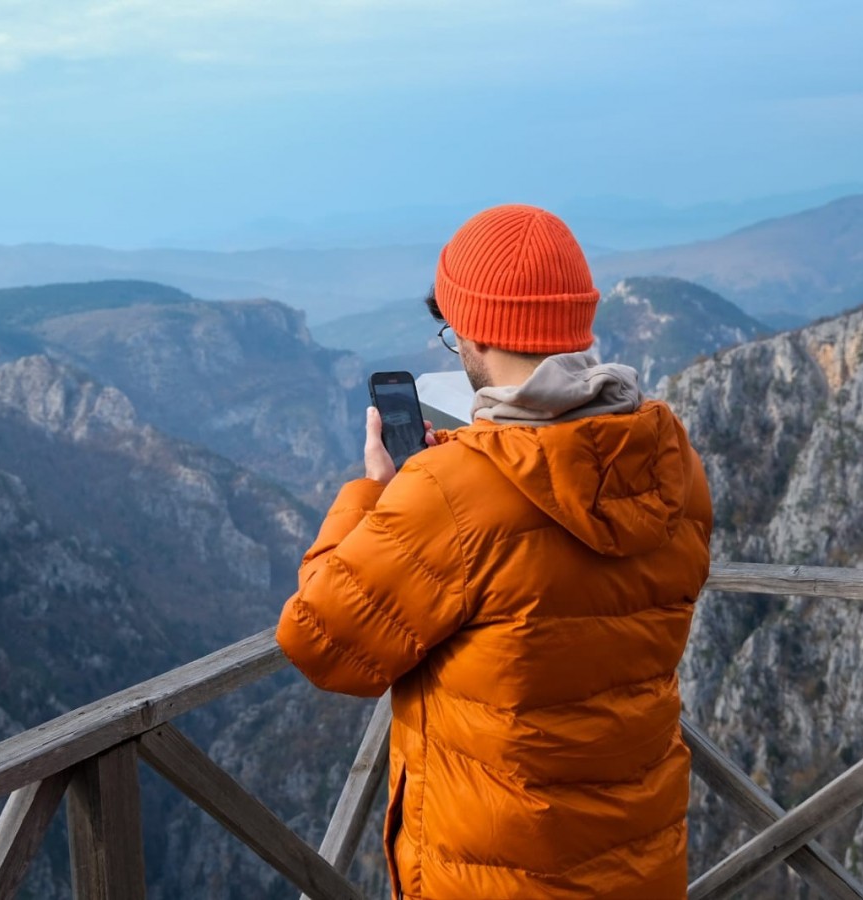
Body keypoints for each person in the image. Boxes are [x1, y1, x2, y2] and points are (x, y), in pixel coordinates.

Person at [277, 204, 712, 899]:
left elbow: (320, 641)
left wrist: (372, 495)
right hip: (638, 861)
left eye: (451, 332)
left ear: (476, 332)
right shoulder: (669, 460)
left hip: (497, 876)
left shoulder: (451, 489)